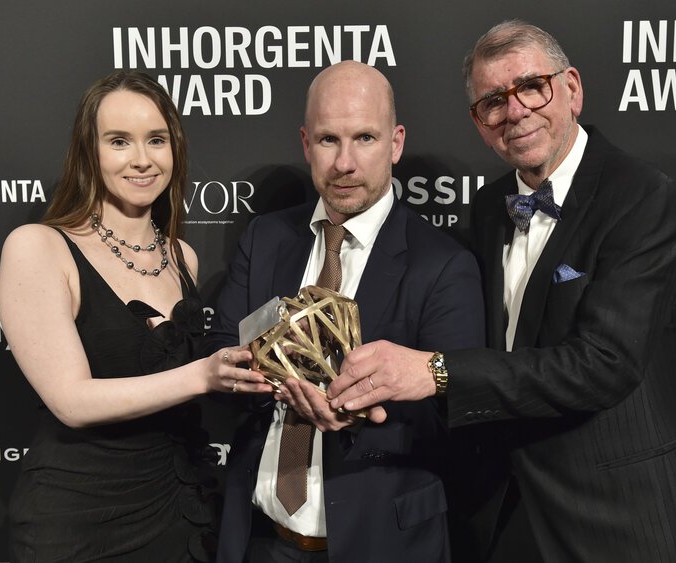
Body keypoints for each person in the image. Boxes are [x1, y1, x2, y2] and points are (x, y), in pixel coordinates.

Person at [328, 20, 676, 562]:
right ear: (480, 123)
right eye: (492, 102)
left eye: (532, 86)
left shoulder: (643, 197)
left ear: (571, 89)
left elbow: (604, 364)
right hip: (504, 513)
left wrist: (432, 371)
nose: (516, 111)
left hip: (618, 517)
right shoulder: (488, 207)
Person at [206, 60, 484, 563]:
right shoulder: (265, 239)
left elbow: (460, 414)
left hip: (381, 544)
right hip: (260, 538)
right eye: (329, 139)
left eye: (365, 138)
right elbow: (222, 354)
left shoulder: (444, 265)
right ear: (306, 143)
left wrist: (360, 414)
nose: (344, 163)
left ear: (395, 143)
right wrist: (261, 380)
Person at [0, 70, 272, 562]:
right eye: (119, 141)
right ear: (89, 152)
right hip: (79, 520)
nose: (142, 160)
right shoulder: (38, 247)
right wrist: (203, 375)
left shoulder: (181, 256)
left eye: (157, 140)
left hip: (181, 507)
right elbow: (71, 401)